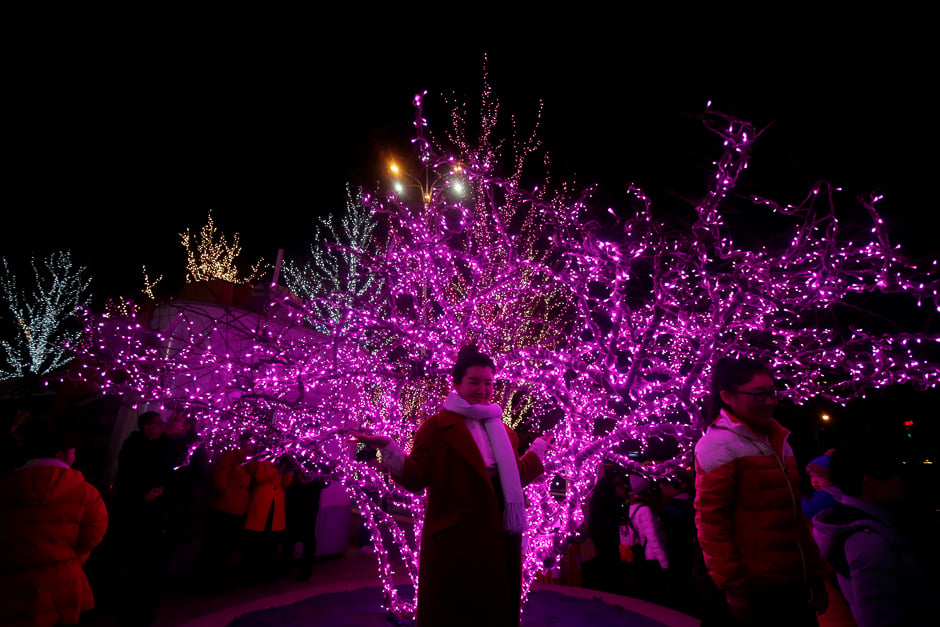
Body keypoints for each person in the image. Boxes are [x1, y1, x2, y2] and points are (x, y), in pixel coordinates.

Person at [352, 346, 550, 627]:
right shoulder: (436, 427)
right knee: (454, 612)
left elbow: (513, 476)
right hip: (456, 537)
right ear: (456, 383)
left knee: (491, 610)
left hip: (498, 535)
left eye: (488, 383)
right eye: (474, 382)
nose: (483, 389)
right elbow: (416, 478)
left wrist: (539, 449)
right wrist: (389, 448)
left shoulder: (504, 430)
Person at [694, 357, 827, 626]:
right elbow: (712, 524)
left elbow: (793, 516)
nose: (769, 401)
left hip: (794, 580)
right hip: (759, 588)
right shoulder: (719, 444)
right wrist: (734, 589)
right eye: (758, 395)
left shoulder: (778, 439)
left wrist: (815, 574)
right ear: (727, 397)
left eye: (772, 393)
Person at [0, 418, 108, 627]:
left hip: (11, 577)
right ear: (60, 453)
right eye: (73, 452)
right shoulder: (85, 492)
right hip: (62, 580)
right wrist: (69, 559)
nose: (75, 457)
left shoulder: (6, 486)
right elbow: (94, 533)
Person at [812, 443, 933, 626]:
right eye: (896, 475)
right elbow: (878, 615)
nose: (903, 483)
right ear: (869, 480)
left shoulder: (853, 525)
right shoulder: (867, 540)